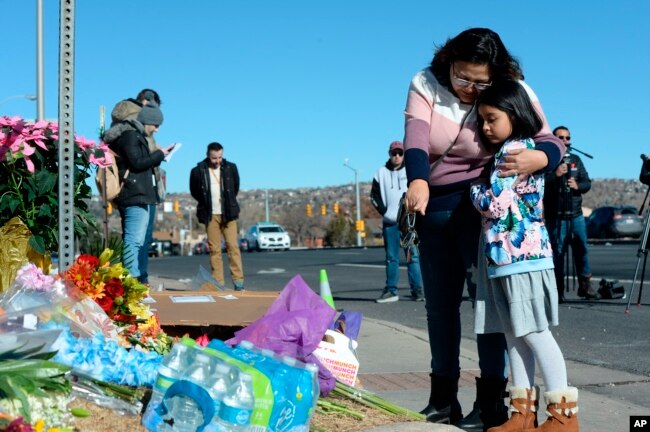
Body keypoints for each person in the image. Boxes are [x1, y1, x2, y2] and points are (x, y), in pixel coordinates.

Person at [402, 28, 565, 430]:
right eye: (463, 78)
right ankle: (442, 400)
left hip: (484, 209)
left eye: (480, 82)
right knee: (439, 308)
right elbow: (416, 138)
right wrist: (418, 180)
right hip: (435, 206)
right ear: (448, 65)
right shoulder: (425, 83)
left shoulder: (513, 90)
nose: (471, 89)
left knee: (488, 309)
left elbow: (551, 139)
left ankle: (492, 402)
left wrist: (537, 159)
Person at [470, 80, 580, 431]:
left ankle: (563, 416)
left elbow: (494, 204)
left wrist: (472, 189)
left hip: (522, 258)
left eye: (492, 118)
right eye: (482, 120)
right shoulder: (517, 149)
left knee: (533, 333)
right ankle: (522, 414)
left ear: (514, 115)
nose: (485, 127)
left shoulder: (513, 151)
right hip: (510, 259)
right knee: (514, 334)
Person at [103, 89, 166, 285]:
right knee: (133, 241)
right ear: (147, 120)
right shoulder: (130, 136)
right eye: (155, 125)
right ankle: (132, 279)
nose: (156, 129)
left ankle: (135, 278)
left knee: (138, 240)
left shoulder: (134, 135)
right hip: (134, 193)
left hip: (142, 193)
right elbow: (137, 163)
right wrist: (159, 155)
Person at [544, 126, 599, 301]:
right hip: (556, 215)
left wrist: (578, 186)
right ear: (553, 139)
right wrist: (555, 174)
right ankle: (557, 289)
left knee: (582, 249)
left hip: (575, 214)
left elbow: (587, 183)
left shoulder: (576, 159)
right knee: (557, 252)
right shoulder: (547, 160)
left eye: (568, 138)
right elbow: (539, 184)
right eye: (561, 137)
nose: (565, 141)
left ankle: (585, 286)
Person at [370, 140, 424, 303]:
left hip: (409, 221)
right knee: (391, 257)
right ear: (389, 154)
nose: (397, 156)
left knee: (412, 256)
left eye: (400, 153)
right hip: (390, 222)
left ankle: (417, 290)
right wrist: (384, 211)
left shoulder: (410, 171)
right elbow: (374, 196)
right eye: (394, 153)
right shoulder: (380, 173)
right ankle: (391, 290)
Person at [189, 142, 245, 290]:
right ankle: (218, 282)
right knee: (215, 250)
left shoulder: (231, 168)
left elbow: (235, 188)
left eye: (220, 157)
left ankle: (238, 282)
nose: (218, 161)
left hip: (229, 214)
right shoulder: (197, 171)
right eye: (214, 158)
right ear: (208, 155)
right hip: (210, 215)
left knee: (233, 247)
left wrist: (229, 202)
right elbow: (195, 191)